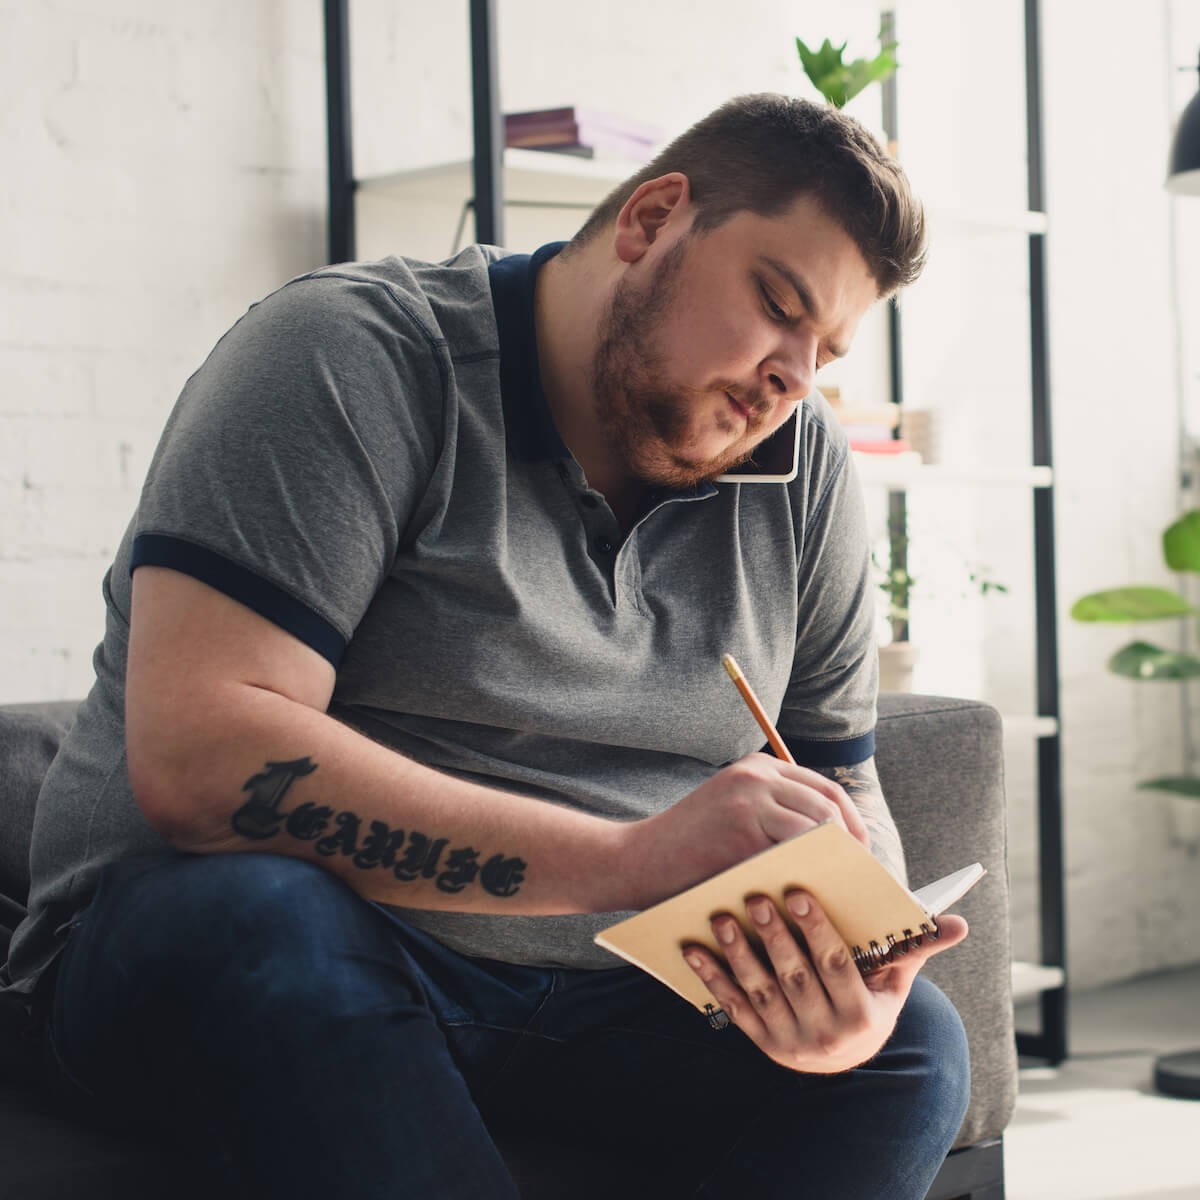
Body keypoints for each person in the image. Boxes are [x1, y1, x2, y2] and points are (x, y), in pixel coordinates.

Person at [3, 93, 971, 1198]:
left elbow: (845, 781)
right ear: (653, 220)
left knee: (913, 1047)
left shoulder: (802, 472)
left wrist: (857, 967)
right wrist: (627, 859)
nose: (794, 376)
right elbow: (202, 762)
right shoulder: (354, 358)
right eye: (776, 303)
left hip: (609, 996)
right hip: (239, 951)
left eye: (824, 349)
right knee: (259, 918)